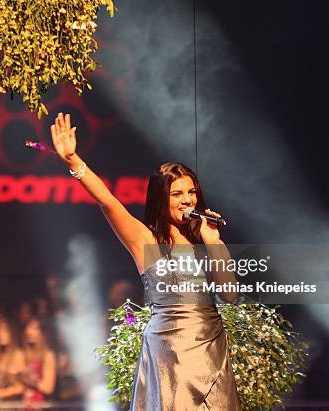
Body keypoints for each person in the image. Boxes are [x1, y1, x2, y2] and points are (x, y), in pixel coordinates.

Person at [50, 113, 241, 410]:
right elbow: (108, 202)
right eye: (177, 194)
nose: (187, 200)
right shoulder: (146, 241)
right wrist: (73, 161)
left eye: (191, 192)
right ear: (160, 199)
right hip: (169, 349)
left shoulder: (206, 243)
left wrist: (214, 241)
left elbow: (229, 295)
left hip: (210, 348)